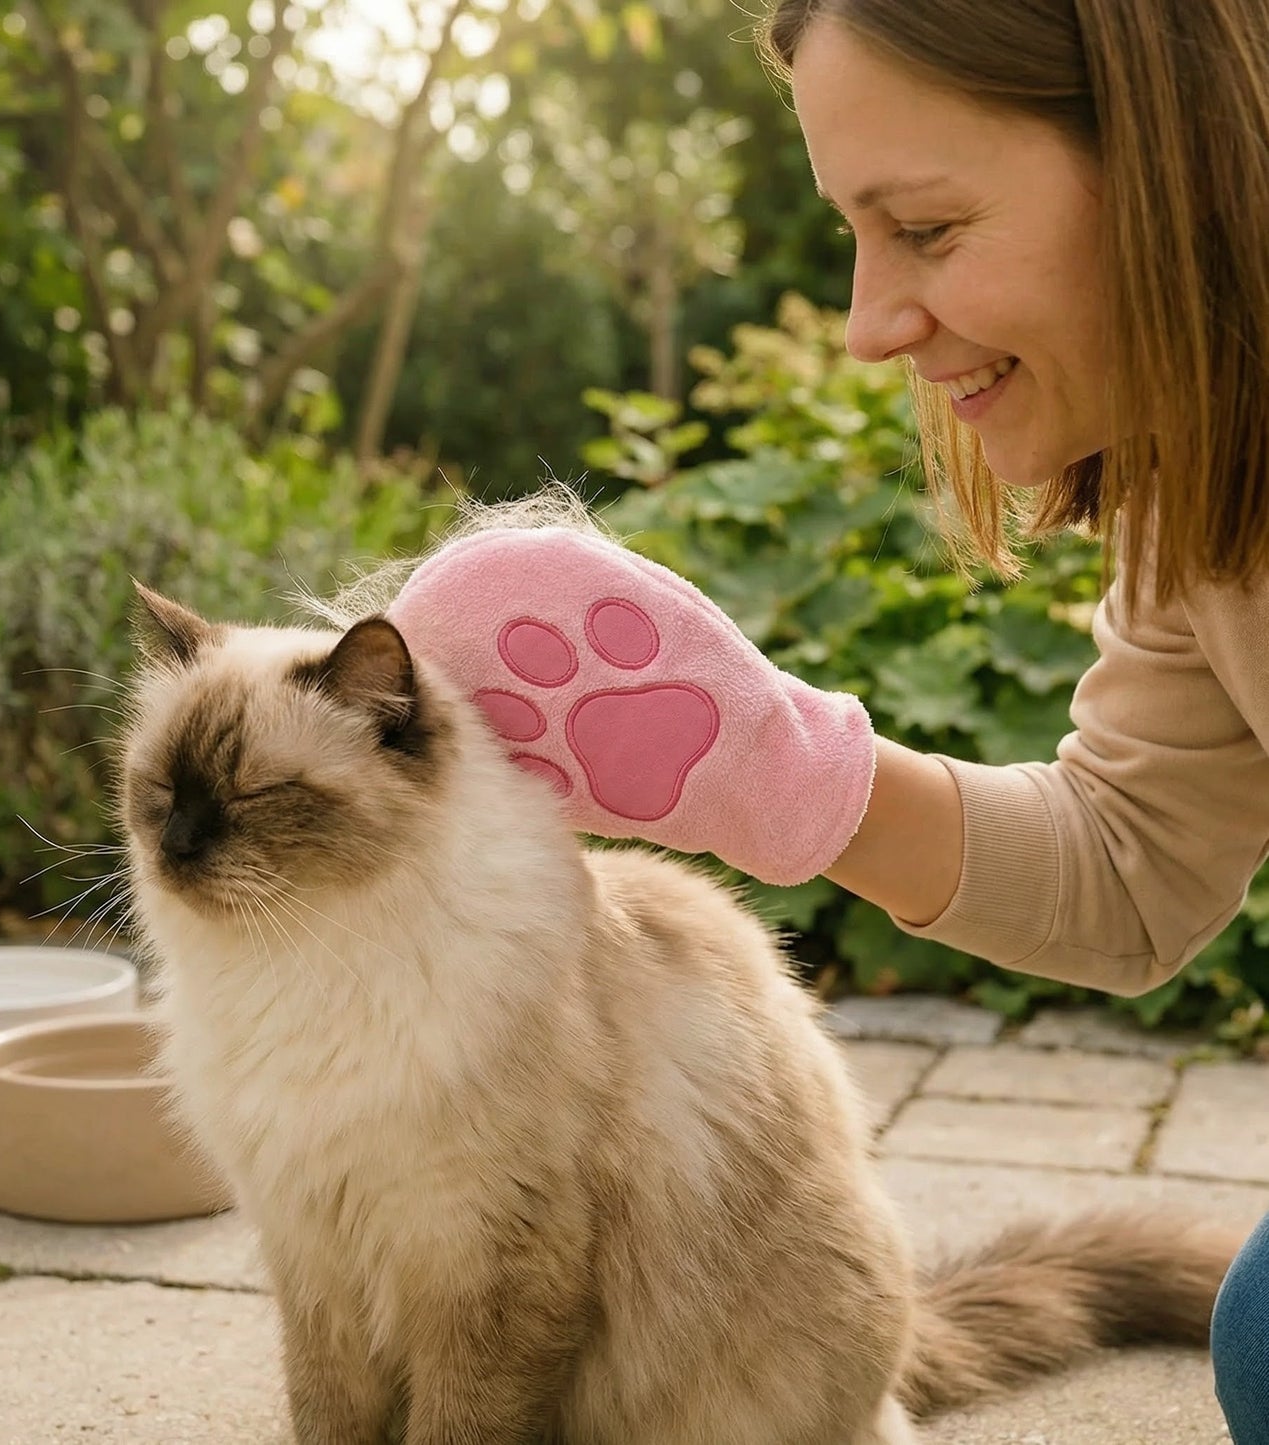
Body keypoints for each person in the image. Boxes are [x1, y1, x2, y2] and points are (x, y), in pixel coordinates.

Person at [390, 0, 1269, 1435]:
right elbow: (1130, 867)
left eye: (922, 226)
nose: (869, 326)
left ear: (1179, 158)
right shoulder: (1199, 497)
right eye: (854, 238)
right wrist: (786, 772)